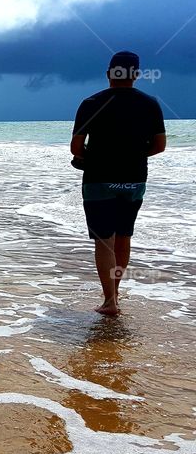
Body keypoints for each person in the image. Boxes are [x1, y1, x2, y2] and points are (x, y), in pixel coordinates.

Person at [71, 51, 166, 316]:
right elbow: (159, 146)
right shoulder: (150, 104)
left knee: (104, 241)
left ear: (109, 73)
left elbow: (76, 148)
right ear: (136, 74)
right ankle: (115, 295)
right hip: (134, 179)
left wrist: (97, 155)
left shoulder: (91, 103)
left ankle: (109, 300)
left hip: (98, 179)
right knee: (124, 237)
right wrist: (132, 154)